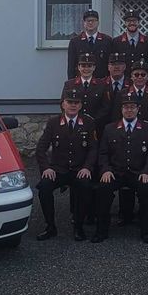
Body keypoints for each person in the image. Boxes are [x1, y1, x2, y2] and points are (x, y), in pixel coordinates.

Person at [33, 89, 99, 241]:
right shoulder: (53, 122)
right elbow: (40, 149)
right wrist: (46, 168)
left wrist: (87, 167)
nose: (73, 105)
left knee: (85, 186)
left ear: (81, 105)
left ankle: (79, 226)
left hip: (78, 169)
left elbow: (93, 148)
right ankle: (50, 227)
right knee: (44, 187)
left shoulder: (88, 122)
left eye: (76, 103)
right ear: (63, 104)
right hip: (59, 170)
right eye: (70, 102)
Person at [97, 92, 148, 243]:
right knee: (104, 189)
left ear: (138, 109)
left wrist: (147, 172)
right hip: (116, 172)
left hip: (138, 173)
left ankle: (147, 231)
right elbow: (103, 153)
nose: (129, 110)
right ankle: (101, 231)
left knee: (146, 190)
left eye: (132, 107)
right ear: (121, 109)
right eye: (126, 107)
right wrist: (105, 170)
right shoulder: (110, 128)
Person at [63, 53, 108, 125]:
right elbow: (63, 104)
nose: (86, 69)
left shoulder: (102, 85)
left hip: (96, 124)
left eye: (89, 66)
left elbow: (105, 107)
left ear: (94, 67)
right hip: (75, 124)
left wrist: (93, 119)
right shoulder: (69, 84)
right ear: (78, 67)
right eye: (83, 66)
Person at [67, 8, 111, 79]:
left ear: (98, 22)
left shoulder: (107, 40)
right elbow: (71, 67)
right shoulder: (75, 42)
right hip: (82, 83)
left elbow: (109, 64)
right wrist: (72, 84)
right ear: (83, 23)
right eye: (88, 21)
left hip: (101, 82)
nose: (90, 23)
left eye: (93, 20)